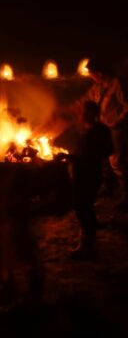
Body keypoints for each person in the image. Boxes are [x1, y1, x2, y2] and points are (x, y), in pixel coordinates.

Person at [69, 101, 114, 259]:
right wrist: (71, 156)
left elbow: (105, 150)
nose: (79, 114)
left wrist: (81, 158)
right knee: (85, 207)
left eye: (82, 111)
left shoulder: (99, 130)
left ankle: (87, 248)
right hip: (85, 174)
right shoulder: (91, 130)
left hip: (89, 175)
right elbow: (84, 153)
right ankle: (87, 243)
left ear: (89, 114)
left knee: (83, 209)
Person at [82, 60, 127, 207]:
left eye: (92, 74)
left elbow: (127, 106)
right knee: (105, 160)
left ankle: (126, 194)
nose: (91, 77)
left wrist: (117, 121)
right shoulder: (98, 86)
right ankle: (108, 188)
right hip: (102, 128)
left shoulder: (117, 84)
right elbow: (85, 100)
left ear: (99, 73)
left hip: (116, 129)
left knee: (117, 162)